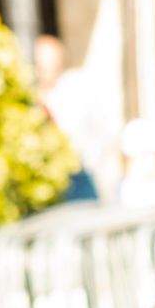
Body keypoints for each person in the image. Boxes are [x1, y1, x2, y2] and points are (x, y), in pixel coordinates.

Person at [35, 33, 116, 204]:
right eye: (40, 63)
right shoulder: (34, 95)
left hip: (81, 174)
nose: (44, 68)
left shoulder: (76, 88)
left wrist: (95, 161)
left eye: (50, 62)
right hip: (49, 181)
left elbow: (102, 129)